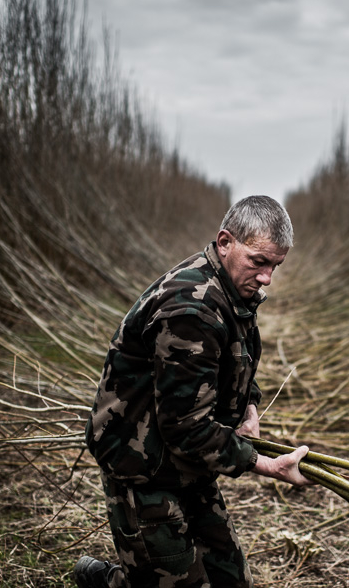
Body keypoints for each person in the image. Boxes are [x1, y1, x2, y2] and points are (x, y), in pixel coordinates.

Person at [74, 196, 314, 588]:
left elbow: (233, 363)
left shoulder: (234, 292)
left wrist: (249, 406)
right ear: (225, 242)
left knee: (231, 579)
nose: (268, 277)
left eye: (276, 266)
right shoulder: (191, 308)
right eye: (259, 261)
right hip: (144, 467)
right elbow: (186, 426)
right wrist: (263, 464)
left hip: (189, 463)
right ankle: (111, 579)